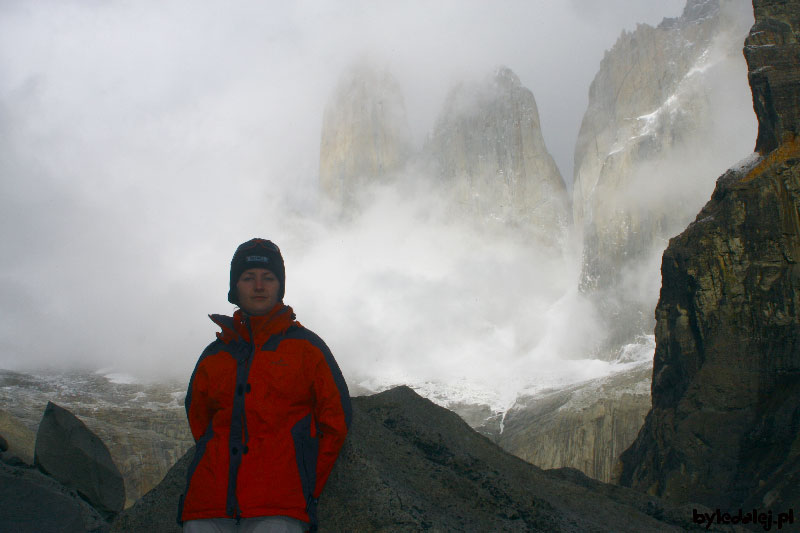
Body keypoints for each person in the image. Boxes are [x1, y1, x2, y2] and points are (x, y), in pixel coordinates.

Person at [178, 238, 352, 533]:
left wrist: (307, 482)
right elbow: (200, 421)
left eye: (268, 278)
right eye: (248, 278)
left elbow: (335, 421)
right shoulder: (215, 355)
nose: (259, 286)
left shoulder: (307, 349)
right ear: (235, 287)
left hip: (279, 507)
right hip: (208, 504)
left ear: (279, 286)